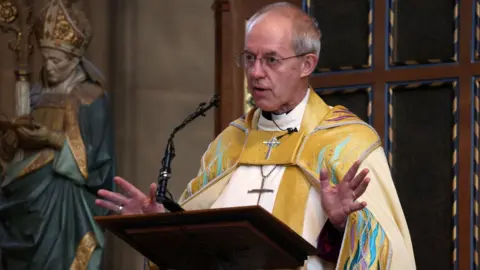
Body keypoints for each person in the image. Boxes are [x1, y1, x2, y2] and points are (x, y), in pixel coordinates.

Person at [96, 2, 415, 269]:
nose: (255, 72)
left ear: (307, 64)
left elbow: (387, 251)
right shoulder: (229, 143)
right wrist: (162, 226)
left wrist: (342, 225)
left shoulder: (346, 141)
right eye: (249, 58)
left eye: (271, 60)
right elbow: (200, 241)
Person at [0, 0, 116, 269]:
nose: (49, 66)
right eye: (46, 57)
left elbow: (99, 165)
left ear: (75, 59)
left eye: (57, 60)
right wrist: (13, 136)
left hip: (66, 203)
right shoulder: (34, 95)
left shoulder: (91, 99)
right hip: (25, 200)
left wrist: (50, 139)